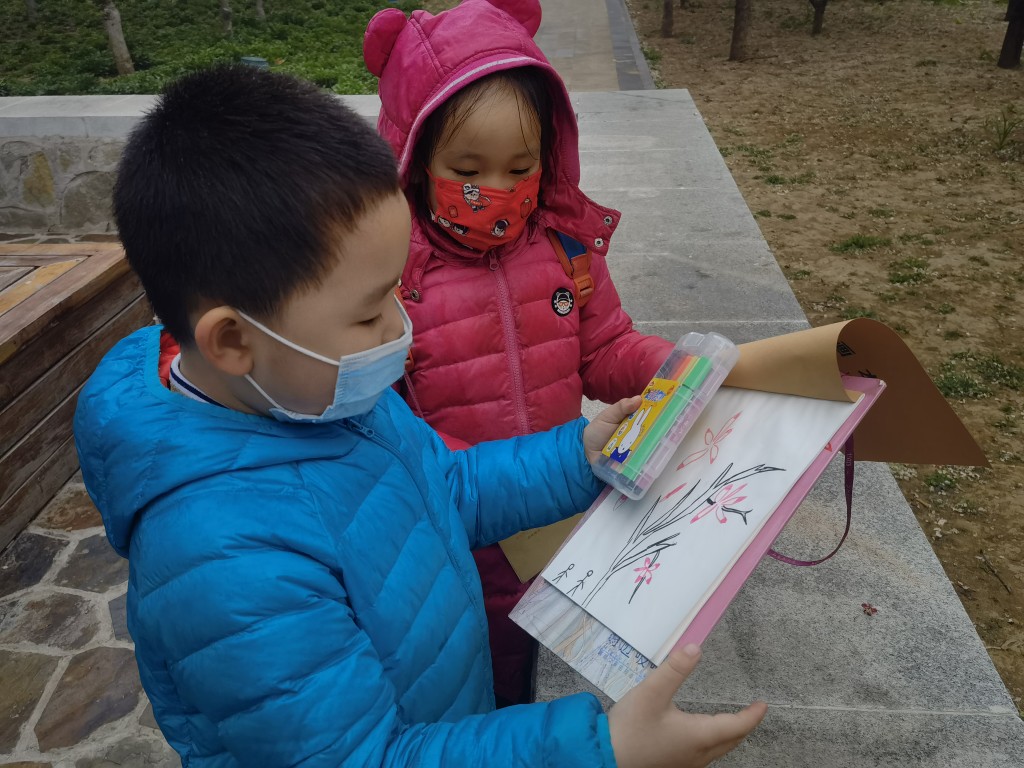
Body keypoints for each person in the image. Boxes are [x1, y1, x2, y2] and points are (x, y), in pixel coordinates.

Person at [74, 65, 765, 766]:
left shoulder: (314, 395)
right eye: (369, 312)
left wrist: (579, 453)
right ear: (232, 341)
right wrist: (600, 750)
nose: (398, 328)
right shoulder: (226, 562)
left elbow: (444, 487)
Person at [364, 0, 677, 706]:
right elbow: (381, 418)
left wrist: (670, 368)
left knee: (538, 670)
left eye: (521, 167)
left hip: (559, 520)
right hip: (452, 536)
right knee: (465, 682)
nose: (499, 191)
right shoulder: (389, 280)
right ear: (415, 158)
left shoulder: (565, 252)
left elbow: (607, 348)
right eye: (468, 169)